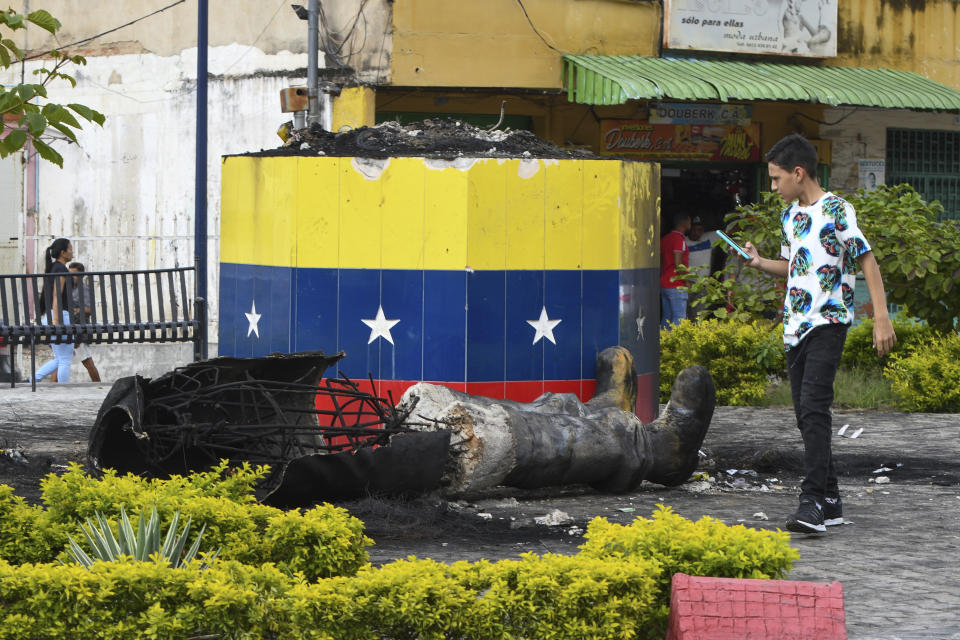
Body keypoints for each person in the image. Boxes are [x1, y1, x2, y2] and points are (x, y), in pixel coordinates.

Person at [741, 134, 896, 534]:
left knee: (813, 410)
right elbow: (794, 266)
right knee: (806, 417)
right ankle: (831, 500)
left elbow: (867, 260)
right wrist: (760, 263)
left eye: (777, 179)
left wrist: (882, 317)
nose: (773, 187)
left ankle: (810, 502)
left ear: (798, 172)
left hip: (829, 321)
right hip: (795, 328)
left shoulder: (837, 210)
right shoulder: (790, 217)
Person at [29, 238, 75, 383]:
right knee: (65, 359)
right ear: (63, 252)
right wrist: (56, 321)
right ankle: (64, 390)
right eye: (70, 249)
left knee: (61, 357)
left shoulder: (53, 267)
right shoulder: (61, 269)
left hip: (50, 315)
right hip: (60, 315)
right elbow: (57, 295)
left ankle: (33, 380)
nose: (72, 252)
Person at [50, 262, 101, 383]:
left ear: (81, 276)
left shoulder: (84, 290)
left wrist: (76, 310)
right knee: (60, 359)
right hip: (66, 326)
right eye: (69, 274)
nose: (71, 277)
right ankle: (52, 386)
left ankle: (98, 385)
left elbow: (90, 310)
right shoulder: (65, 289)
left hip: (79, 328)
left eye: (74, 275)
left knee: (87, 361)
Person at [660, 213, 691, 329]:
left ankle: (663, 344)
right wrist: (686, 281)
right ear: (685, 222)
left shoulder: (665, 238)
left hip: (664, 283)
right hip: (676, 284)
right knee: (679, 318)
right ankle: (676, 346)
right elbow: (678, 264)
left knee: (667, 318)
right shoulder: (679, 239)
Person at [686, 216, 720, 317]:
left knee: (700, 315)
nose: (697, 233)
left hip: (703, 284)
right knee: (685, 315)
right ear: (689, 229)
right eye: (694, 230)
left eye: (700, 230)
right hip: (687, 284)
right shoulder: (683, 241)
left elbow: (729, 231)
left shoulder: (709, 238)